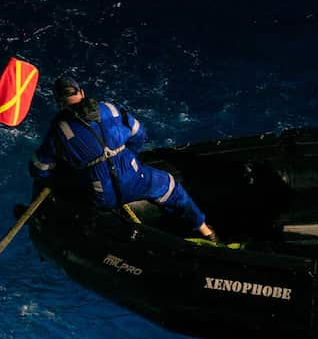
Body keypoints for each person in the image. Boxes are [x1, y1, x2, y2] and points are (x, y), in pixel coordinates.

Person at [29, 76, 219, 241]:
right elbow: (139, 134)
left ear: (59, 102)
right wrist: (129, 158)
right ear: (82, 92)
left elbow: (40, 168)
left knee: (70, 188)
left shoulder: (58, 130)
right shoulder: (109, 109)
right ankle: (206, 232)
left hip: (102, 197)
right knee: (170, 186)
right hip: (136, 180)